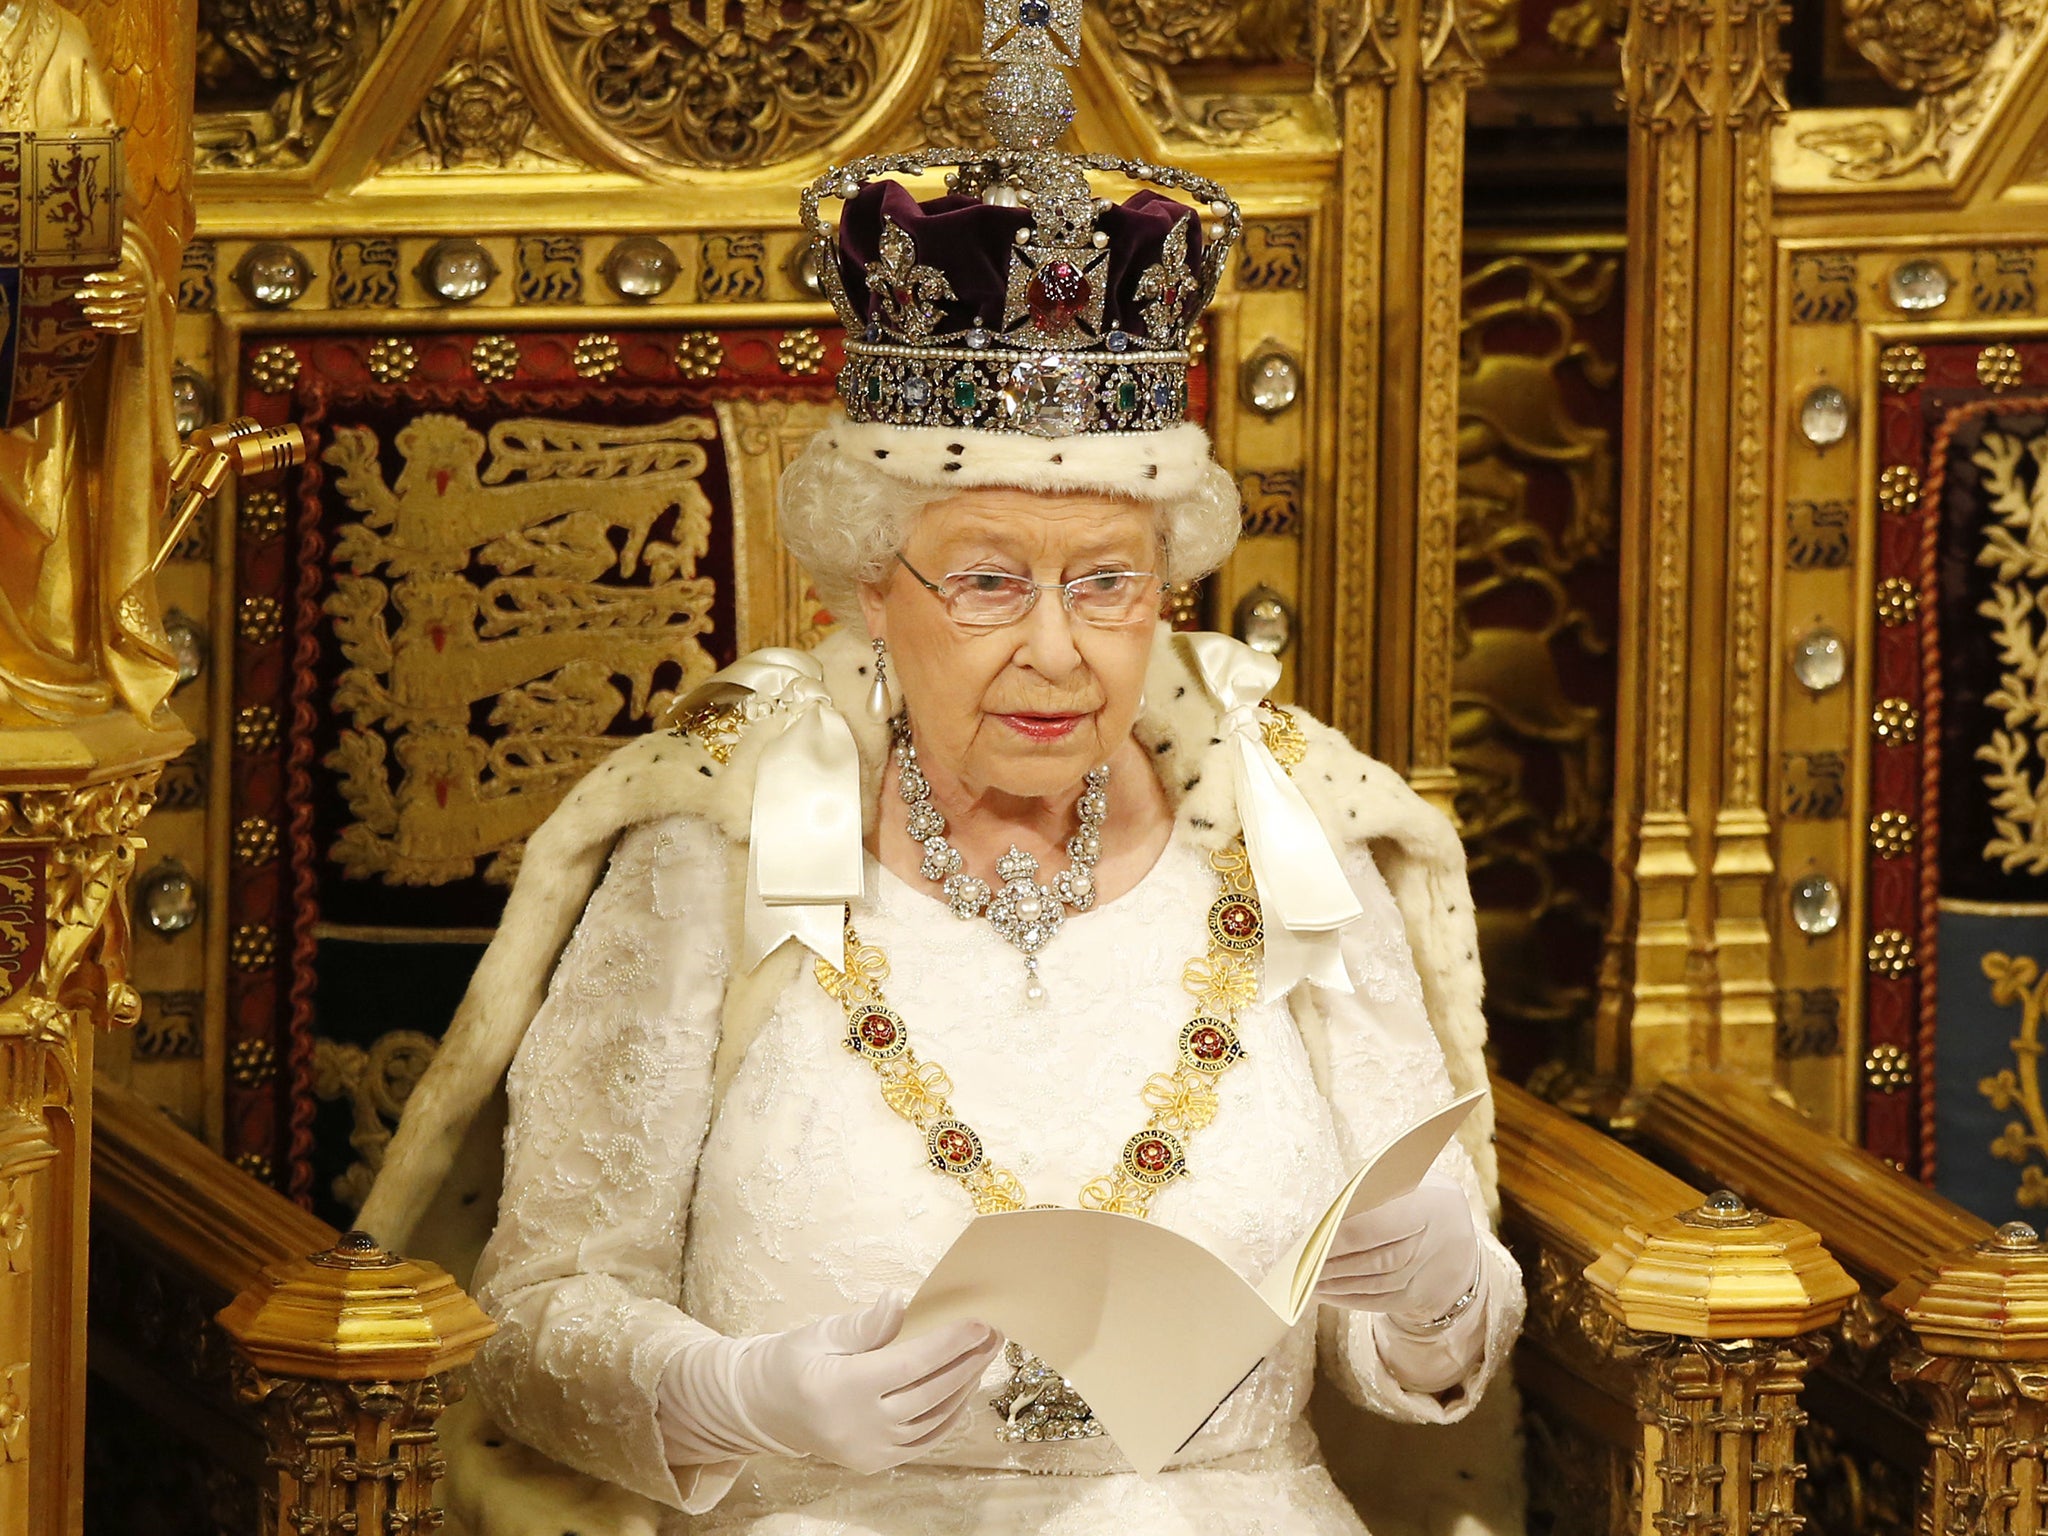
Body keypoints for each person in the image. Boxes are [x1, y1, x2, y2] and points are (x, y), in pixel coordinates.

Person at [358, 4, 1524, 1529]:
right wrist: (732, 1397)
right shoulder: (712, 846)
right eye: (987, 582)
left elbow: (1415, 1347)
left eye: (1107, 583)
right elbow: (542, 1315)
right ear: (863, 590)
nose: (1059, 650)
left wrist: (1440, 1287)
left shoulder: (1288, 837)